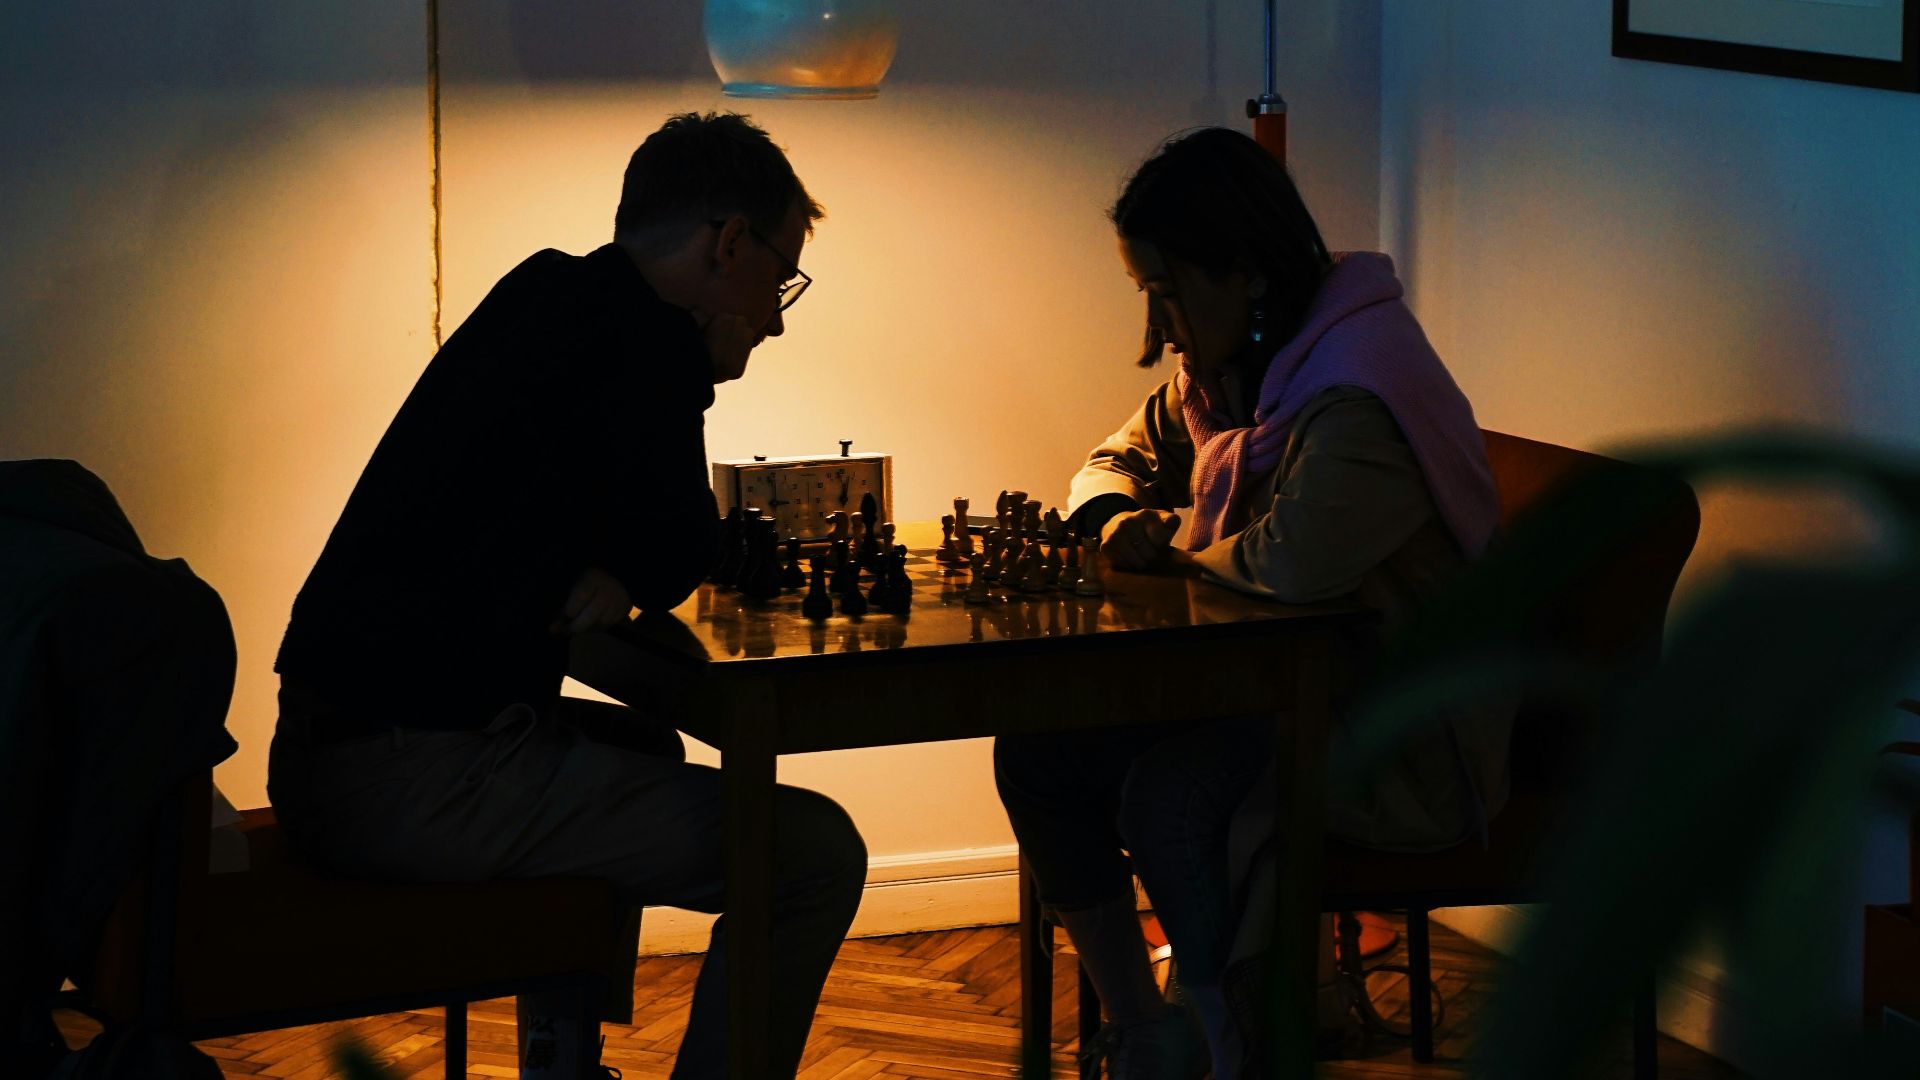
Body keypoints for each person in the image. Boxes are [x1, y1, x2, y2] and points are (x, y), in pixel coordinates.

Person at [268, 112, 866, 1080]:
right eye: (781, 274)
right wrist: (648, 561)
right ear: (728, 244)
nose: (780, 315)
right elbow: (679, 539)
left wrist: (623, 565)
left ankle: (561, 1058)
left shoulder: (552, 295)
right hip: (412, 777)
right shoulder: (647, 343)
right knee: (816, 855)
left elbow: (623, 526)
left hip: (327, 749)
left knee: (644, 744)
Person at [994, 128, 1511, 1079]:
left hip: (1398, 728)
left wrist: (1170, 542)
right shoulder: (1235, 377)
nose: (1157, 323)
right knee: (1039, 753)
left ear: (1245, 276)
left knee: (1171, 789)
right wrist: (1114, 517)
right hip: (1278, 692)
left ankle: (1227, 1051)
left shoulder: (1361, 394)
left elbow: (1289, 565)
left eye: (1167, 290)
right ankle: (1149, 1032)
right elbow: (1106, 464)